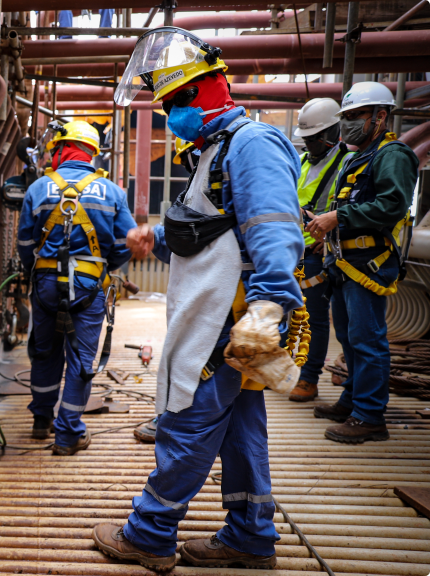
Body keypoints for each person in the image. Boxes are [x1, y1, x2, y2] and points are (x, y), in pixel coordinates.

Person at [91, 27, 304, 571]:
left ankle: (149, 533)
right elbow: (206, 228)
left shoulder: (252, 144)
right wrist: (153, 238)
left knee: (185, 421)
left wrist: (269, 307)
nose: (171, 114)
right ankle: (251, 536)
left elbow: (275, 226)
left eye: (176, 101)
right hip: (219, 317)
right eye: (165, 106)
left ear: (207, 88)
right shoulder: (213, 150)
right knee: (240, 428)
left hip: (230, 321)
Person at [305, 81, 419, 444]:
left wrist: (337, 218)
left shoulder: (393, 155)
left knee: (368, 340)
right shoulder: (358, 156)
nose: (349, 124)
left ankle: (370, 416)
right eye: (346, 117)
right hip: (344, 261)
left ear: (380, 116)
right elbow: (350, 201)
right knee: (350, 339)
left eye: (355, 116)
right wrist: (325, 225)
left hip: (368, 263)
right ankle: (352, 399)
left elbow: (392, 206)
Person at [16, 120, 138, 456]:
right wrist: (102, 268)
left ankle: (42, 421)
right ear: (92, 154)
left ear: (60, 148)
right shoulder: (113, 192)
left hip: (44, 285)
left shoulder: (38, 188)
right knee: (82, 360)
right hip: (87, 286)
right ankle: (67, 436)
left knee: (44, 351)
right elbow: (125, 242)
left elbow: (25, 243)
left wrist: (34, 272)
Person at [132, 137, 199, 446]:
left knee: (199, 365)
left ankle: (177, 422)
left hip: (223, 297)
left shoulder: (237, 175)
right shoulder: (200, 188)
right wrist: (155, 236)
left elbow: (204, 226)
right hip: (199, 295)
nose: (191, 168)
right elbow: (187, 224)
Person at [287, 98, 353, 402]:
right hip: (289, 248)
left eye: (314, 138)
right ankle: (284, 368)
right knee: (283, 311)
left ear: (331, 133)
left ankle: (309, 378)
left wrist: (325, 240)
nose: (310, 144)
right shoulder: (301, 161)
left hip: (317, 254)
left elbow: (349, 210)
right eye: (307, 139)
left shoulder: (347, 163)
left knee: (313, 316)